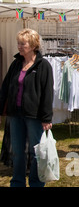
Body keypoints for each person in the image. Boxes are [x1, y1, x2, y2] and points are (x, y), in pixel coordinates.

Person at [0, 29, 54, 187]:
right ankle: (17, 182)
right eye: (18, 43)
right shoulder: (16, 63)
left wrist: (46, 118)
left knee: (35, 152)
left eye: (22, 43)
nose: (19, 46)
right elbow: (6, 87)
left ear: (33, 45)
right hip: (15, 115)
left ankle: (36, 183)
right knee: (17, 152)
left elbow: (47, 93)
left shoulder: (43, 65)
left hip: (34, 116)